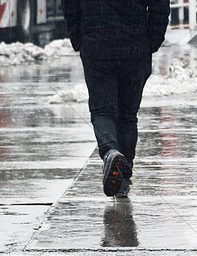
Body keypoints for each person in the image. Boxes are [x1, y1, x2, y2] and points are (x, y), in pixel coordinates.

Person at [62, 0, 170, 198]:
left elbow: (70, 5)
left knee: (103, 110)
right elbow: (160, 5)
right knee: (128, 116)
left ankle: (110, 151)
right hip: (135, 46)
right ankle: (123, 179)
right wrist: (152, 40)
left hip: (97, 45)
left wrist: (78, 37)